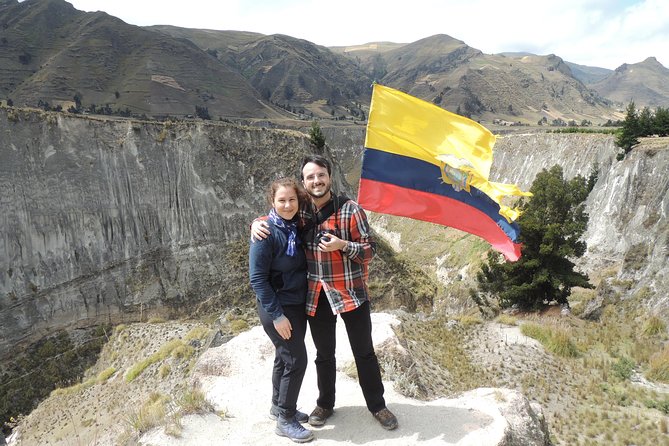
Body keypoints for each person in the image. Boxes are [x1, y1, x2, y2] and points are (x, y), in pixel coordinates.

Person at [252, 155, 398, 431]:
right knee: (324, 354)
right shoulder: (302, 210)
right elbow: (278, 214)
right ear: (304, 182)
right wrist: (256, 222)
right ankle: (325, 403)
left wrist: (343, 245)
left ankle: (377, 405)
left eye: (320, 175)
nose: (316, 181)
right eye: (310, 177)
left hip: (350, 293)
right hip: (317, 295)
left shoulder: (350, 210)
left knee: (364, 352)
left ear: (330, 176)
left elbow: (369, 251)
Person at [248, 177, 314, 443]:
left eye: (292, 200)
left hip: (295, 302)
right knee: (297, 360)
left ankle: (278, 405)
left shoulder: (294, 226)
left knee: (283, 357)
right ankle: (286, 419)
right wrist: (277, 315)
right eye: (281, 201)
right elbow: (257, 279)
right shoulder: (265, 233)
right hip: (277, 306)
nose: (287, 205)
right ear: (272, 203)